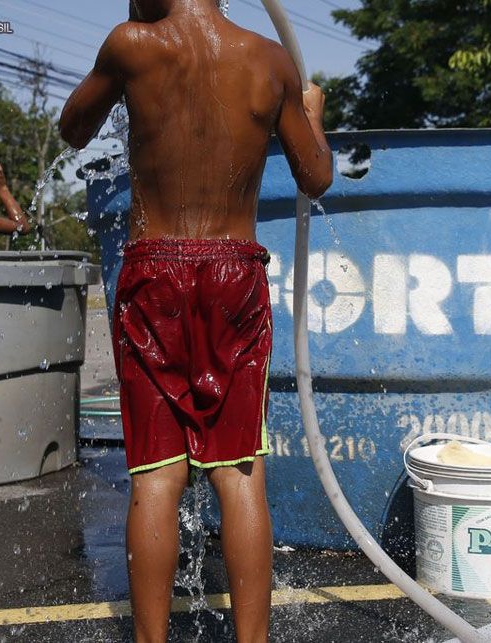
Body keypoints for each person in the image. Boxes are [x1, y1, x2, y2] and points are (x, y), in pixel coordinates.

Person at [60, 1, 332, 641]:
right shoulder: (269, 59)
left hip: (154, 269)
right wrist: (312, 114)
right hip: (234, 271)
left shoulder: (132, 44)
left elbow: (73, 128)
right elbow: (315, 176)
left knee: (156, 478)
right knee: (240, 473)